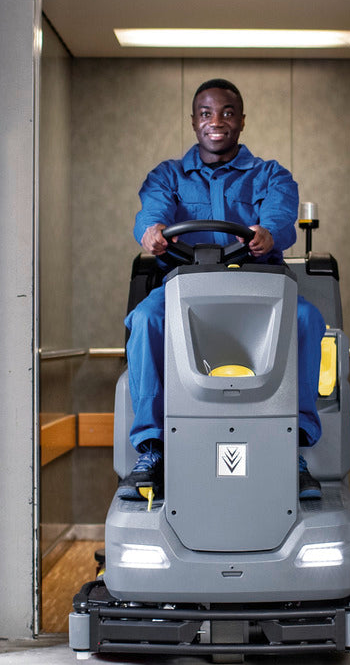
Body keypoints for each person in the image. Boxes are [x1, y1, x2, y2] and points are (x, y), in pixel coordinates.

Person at [120, 78, 325, 502]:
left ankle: (293, 447)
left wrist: (269, 233)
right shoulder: (168, 175)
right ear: (194, 121)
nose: (217, 122)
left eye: (228, 113)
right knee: (144, 318)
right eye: (206, 113)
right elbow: (151, 212)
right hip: (184, 289)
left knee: (307, 317)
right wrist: (151, 231)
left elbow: (281, 216)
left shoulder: (271, 174)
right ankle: (153, 449)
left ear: (242, 120)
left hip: (258, 289)